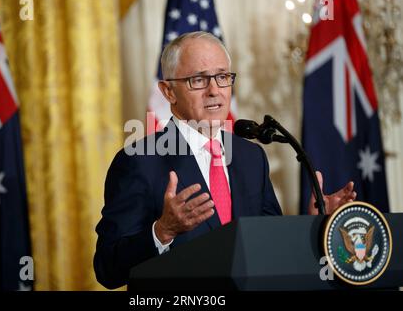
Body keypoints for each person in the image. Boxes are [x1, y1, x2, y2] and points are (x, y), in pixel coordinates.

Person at [93, 31, 356, 289]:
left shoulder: (251, 156)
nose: (214, 91)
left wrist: (314, 223)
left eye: (222, 77)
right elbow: (107, 269)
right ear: (169, 91)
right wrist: (162, 232)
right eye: (198, 79)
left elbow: (269, 246)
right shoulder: (138, 161)